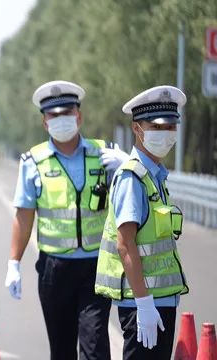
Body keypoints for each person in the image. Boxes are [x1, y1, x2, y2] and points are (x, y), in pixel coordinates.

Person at [5, 80, 129, 359]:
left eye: (67, 112)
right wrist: (14, 263)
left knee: (95, 347)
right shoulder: (33, 162)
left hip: (96, 268)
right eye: (54, 115)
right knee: (61, 350)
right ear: (44, 122)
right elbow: (23, 217)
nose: (61, 119)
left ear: (79, 116)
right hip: (54, 269)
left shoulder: (104, 154)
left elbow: (130, 200)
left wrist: (127, 167)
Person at [95, 85, 189, 359]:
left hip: (159, 301)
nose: (166, 133)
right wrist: (145, 304)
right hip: (144, 304)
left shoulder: (154, 177)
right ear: (138, 129)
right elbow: (126, 245)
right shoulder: (131, 179)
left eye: (171, 126)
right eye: (157, 127)